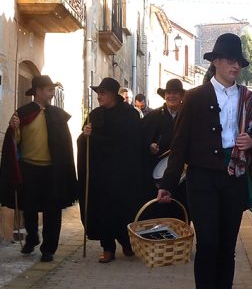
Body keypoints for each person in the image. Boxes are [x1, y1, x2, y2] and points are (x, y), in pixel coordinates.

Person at [156, 33, 252, 289]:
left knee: (227, 249)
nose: (235, 65)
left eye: (238, 61)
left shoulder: (249, 98)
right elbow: (179, 146)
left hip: (234, 180)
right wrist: (167, 183)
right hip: (202, 180)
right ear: (216, 62)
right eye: (230, 60)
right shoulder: (194, 97)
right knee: (207, 246)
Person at [0, 75, 77, 262]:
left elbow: (64, 145)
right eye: (49, 90)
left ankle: (48, 248)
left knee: (53, 209)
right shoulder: (23, 113)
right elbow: (15, 142)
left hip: (52, 170)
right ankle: (32, 237)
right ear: (38, 91)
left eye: (52, 90)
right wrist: (15, 128)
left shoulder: (58, 115)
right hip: (29, 168)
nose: (52, 93)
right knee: (29, 208)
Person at [78, 77, 144, 263]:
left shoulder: (130, 115)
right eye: (98, 93)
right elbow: (84, 141)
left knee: (124, 209)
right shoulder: (95, 115)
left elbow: (134, 143)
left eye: (103, 93)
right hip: (101, 174)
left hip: (124, 173)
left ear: (114, 95)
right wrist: (86, 136)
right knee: (104, 210)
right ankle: (108, 248)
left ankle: (127, 242)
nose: (99, 96)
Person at [141, 79, 187, 220]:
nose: (171, 96)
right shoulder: (153, 117)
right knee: (159, 211)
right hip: (157, 174)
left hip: (183, 174)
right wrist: (149, 145)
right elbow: (139, 138)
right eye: (168, 93)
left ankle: (180, 238)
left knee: (181, 209)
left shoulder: (188, 116)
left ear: (181, 97)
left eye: (175, 93)